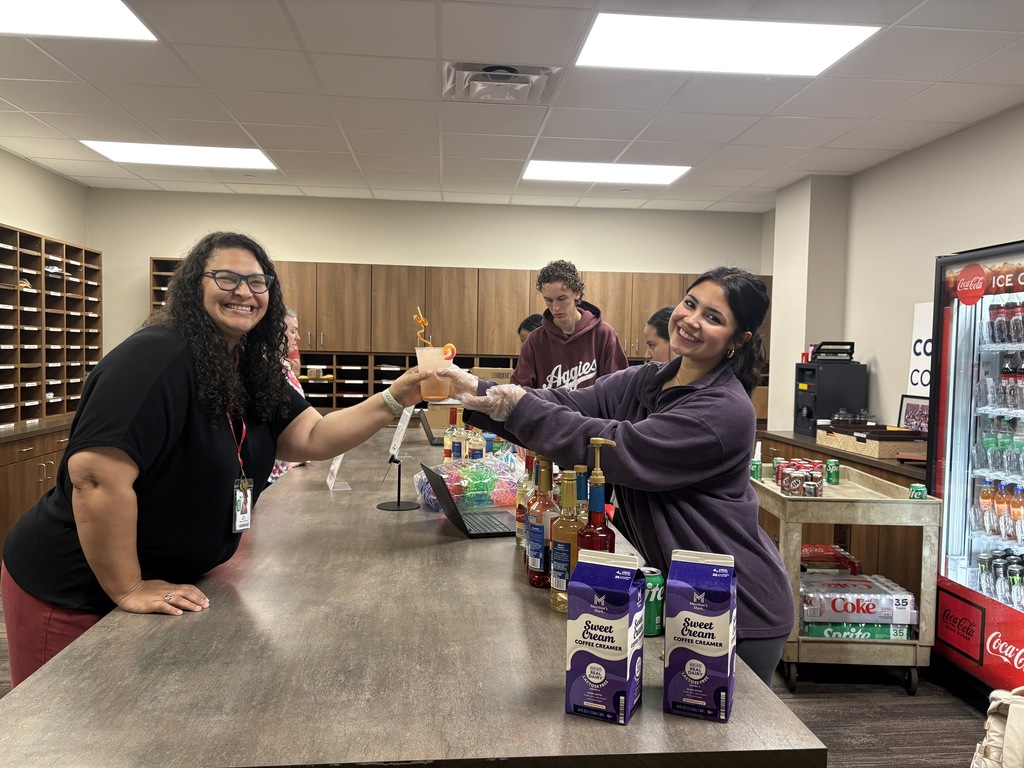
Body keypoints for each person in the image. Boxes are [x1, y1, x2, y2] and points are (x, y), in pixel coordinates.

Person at [0, 231, 433, 688]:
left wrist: (393, 397)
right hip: (79, 591)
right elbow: (96, 477)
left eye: (257, 281)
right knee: (74, 739)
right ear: (193, 285)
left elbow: (311, 434)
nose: (244, 292)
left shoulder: (246, 364)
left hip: (170, 585)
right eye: (227, 278)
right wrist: (128, 586)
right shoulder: (156, 355)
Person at [441, 266, 792, 685]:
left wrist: (515, 407)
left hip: (734, 602)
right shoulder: (648, 380)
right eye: (691, 303)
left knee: (722, 744)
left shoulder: (724, 412)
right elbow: (568, 402)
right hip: (681, 594)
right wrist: (473, 389)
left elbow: (617, 447)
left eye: (714, 318)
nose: (692, 320)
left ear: (739, 340)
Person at [511, 260, 628, 391]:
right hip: (548, 412)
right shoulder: (534, 341)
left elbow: (619, 391)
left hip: (589, 412)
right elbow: (518, 394)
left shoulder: (604, 334)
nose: (555, 308)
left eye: (562, 299)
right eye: (548, 300)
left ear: (577, 293)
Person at [268, 307, 306, 484]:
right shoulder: (266, 369)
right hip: (271, 474)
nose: (297, 337)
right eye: (292, 331)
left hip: (286, 467)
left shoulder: (282, 364)